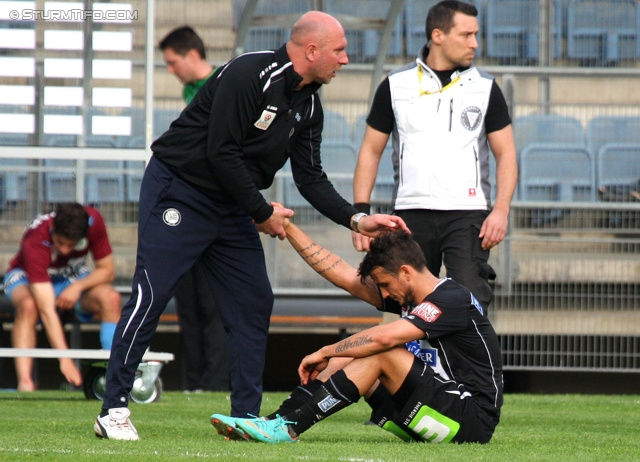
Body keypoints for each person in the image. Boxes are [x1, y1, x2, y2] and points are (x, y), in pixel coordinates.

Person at [94, 10, 408, 441]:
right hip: (179, 191)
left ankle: (244, 417)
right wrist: (262, 211)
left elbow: (310, 178)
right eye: (339, 50)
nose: (346, 59)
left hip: (232, 206)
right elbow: (221, 152)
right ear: (311, 50)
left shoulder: (310, 103)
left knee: (254, 301)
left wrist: (356, 217)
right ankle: (112, 409)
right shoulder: (248, 73)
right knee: (152, 296)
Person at [211, 217, 503, 444]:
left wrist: (324, 351)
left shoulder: (452, 298)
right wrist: (289, 228)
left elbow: (384, 338)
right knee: (346, 357)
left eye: (386, 285)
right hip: (438, 409)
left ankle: (290, 429)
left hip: (471, 418)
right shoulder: (412, 296)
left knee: (381, 352)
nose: (385, 294)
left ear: (405, 272)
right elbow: (342, 274)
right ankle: (274, 422)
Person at [352, 0, 518, 311]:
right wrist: (359, 214)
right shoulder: (395, 85)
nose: (475, 44)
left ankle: (468, 363)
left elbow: (506, 153)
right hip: (409, 212)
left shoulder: (485, 88)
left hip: (467, 214)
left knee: (467, 301)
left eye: (476, 34)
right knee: (411, 302)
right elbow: (370, 151)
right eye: (466, 34)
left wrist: (501, 210)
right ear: (438, 35)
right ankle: (420, 362)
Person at [160, 25, 231, 393]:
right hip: (186, 207)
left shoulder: (223, 84)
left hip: (215, 206)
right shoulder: (190, 91)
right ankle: (192, 381)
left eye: (172, 62)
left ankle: (215, 382)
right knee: (186, 301)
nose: (170, 70)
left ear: (192, 55)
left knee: (213, 303)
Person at [3, 202, 121, 391]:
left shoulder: (94, 221)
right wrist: (65, 360)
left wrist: (77, 287)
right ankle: (25, 383)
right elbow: (47, 309)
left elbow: (107, 271)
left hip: (70, 277)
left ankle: (116, 375)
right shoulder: (35, 241)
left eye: (72, 245)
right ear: (52, 229)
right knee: (28, 304)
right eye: (60, 243)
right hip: (27, 277)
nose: (65, 251)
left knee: (111, 297)